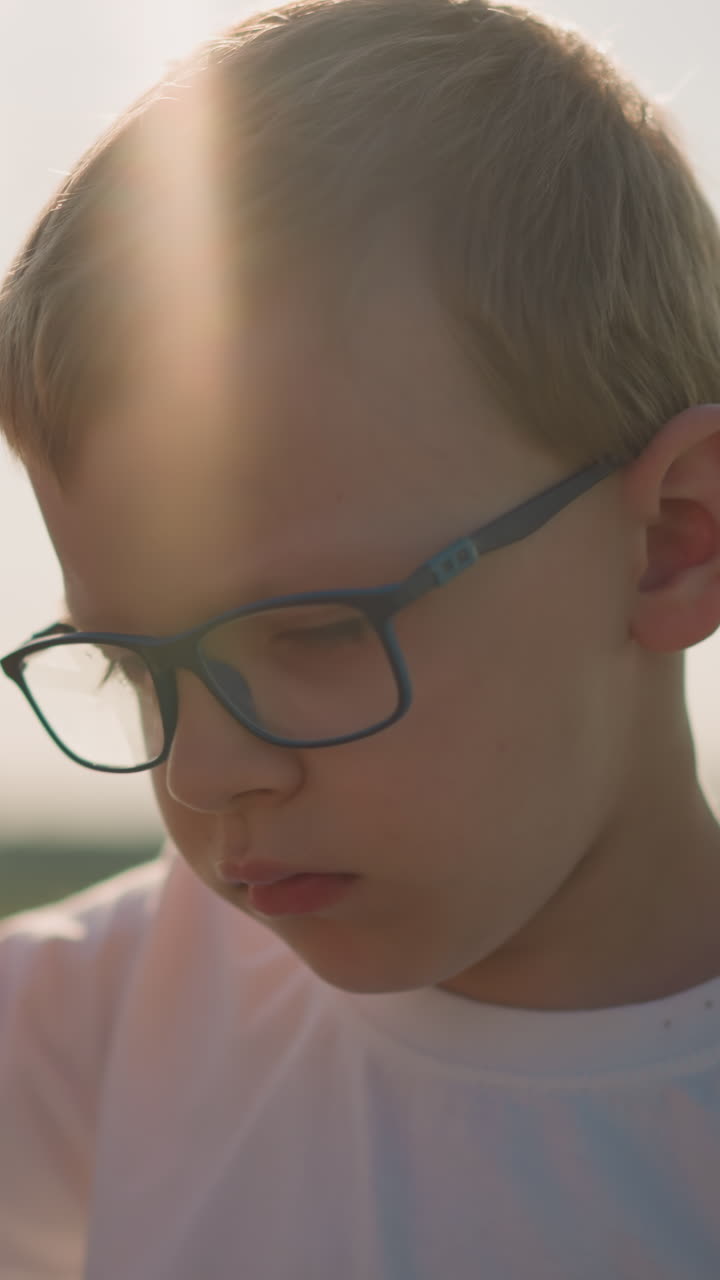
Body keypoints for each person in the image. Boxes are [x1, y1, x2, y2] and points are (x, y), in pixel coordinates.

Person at [2, 0, 720, 1274]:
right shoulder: (114, 1011)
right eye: (136, 667)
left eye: (315, 630)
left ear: (676, 536)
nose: (203, 772)